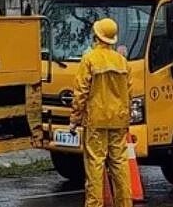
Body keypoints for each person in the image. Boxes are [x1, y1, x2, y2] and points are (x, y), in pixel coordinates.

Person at [68, 17, 131, 207]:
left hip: (96, 120)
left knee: (95, 165)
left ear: (96, 36)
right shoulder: (122, 61)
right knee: (120, 164)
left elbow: (81, 92)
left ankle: (94, 205)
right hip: (118, 120)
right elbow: (129, 93)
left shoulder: (89, 59)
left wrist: (74, 119)